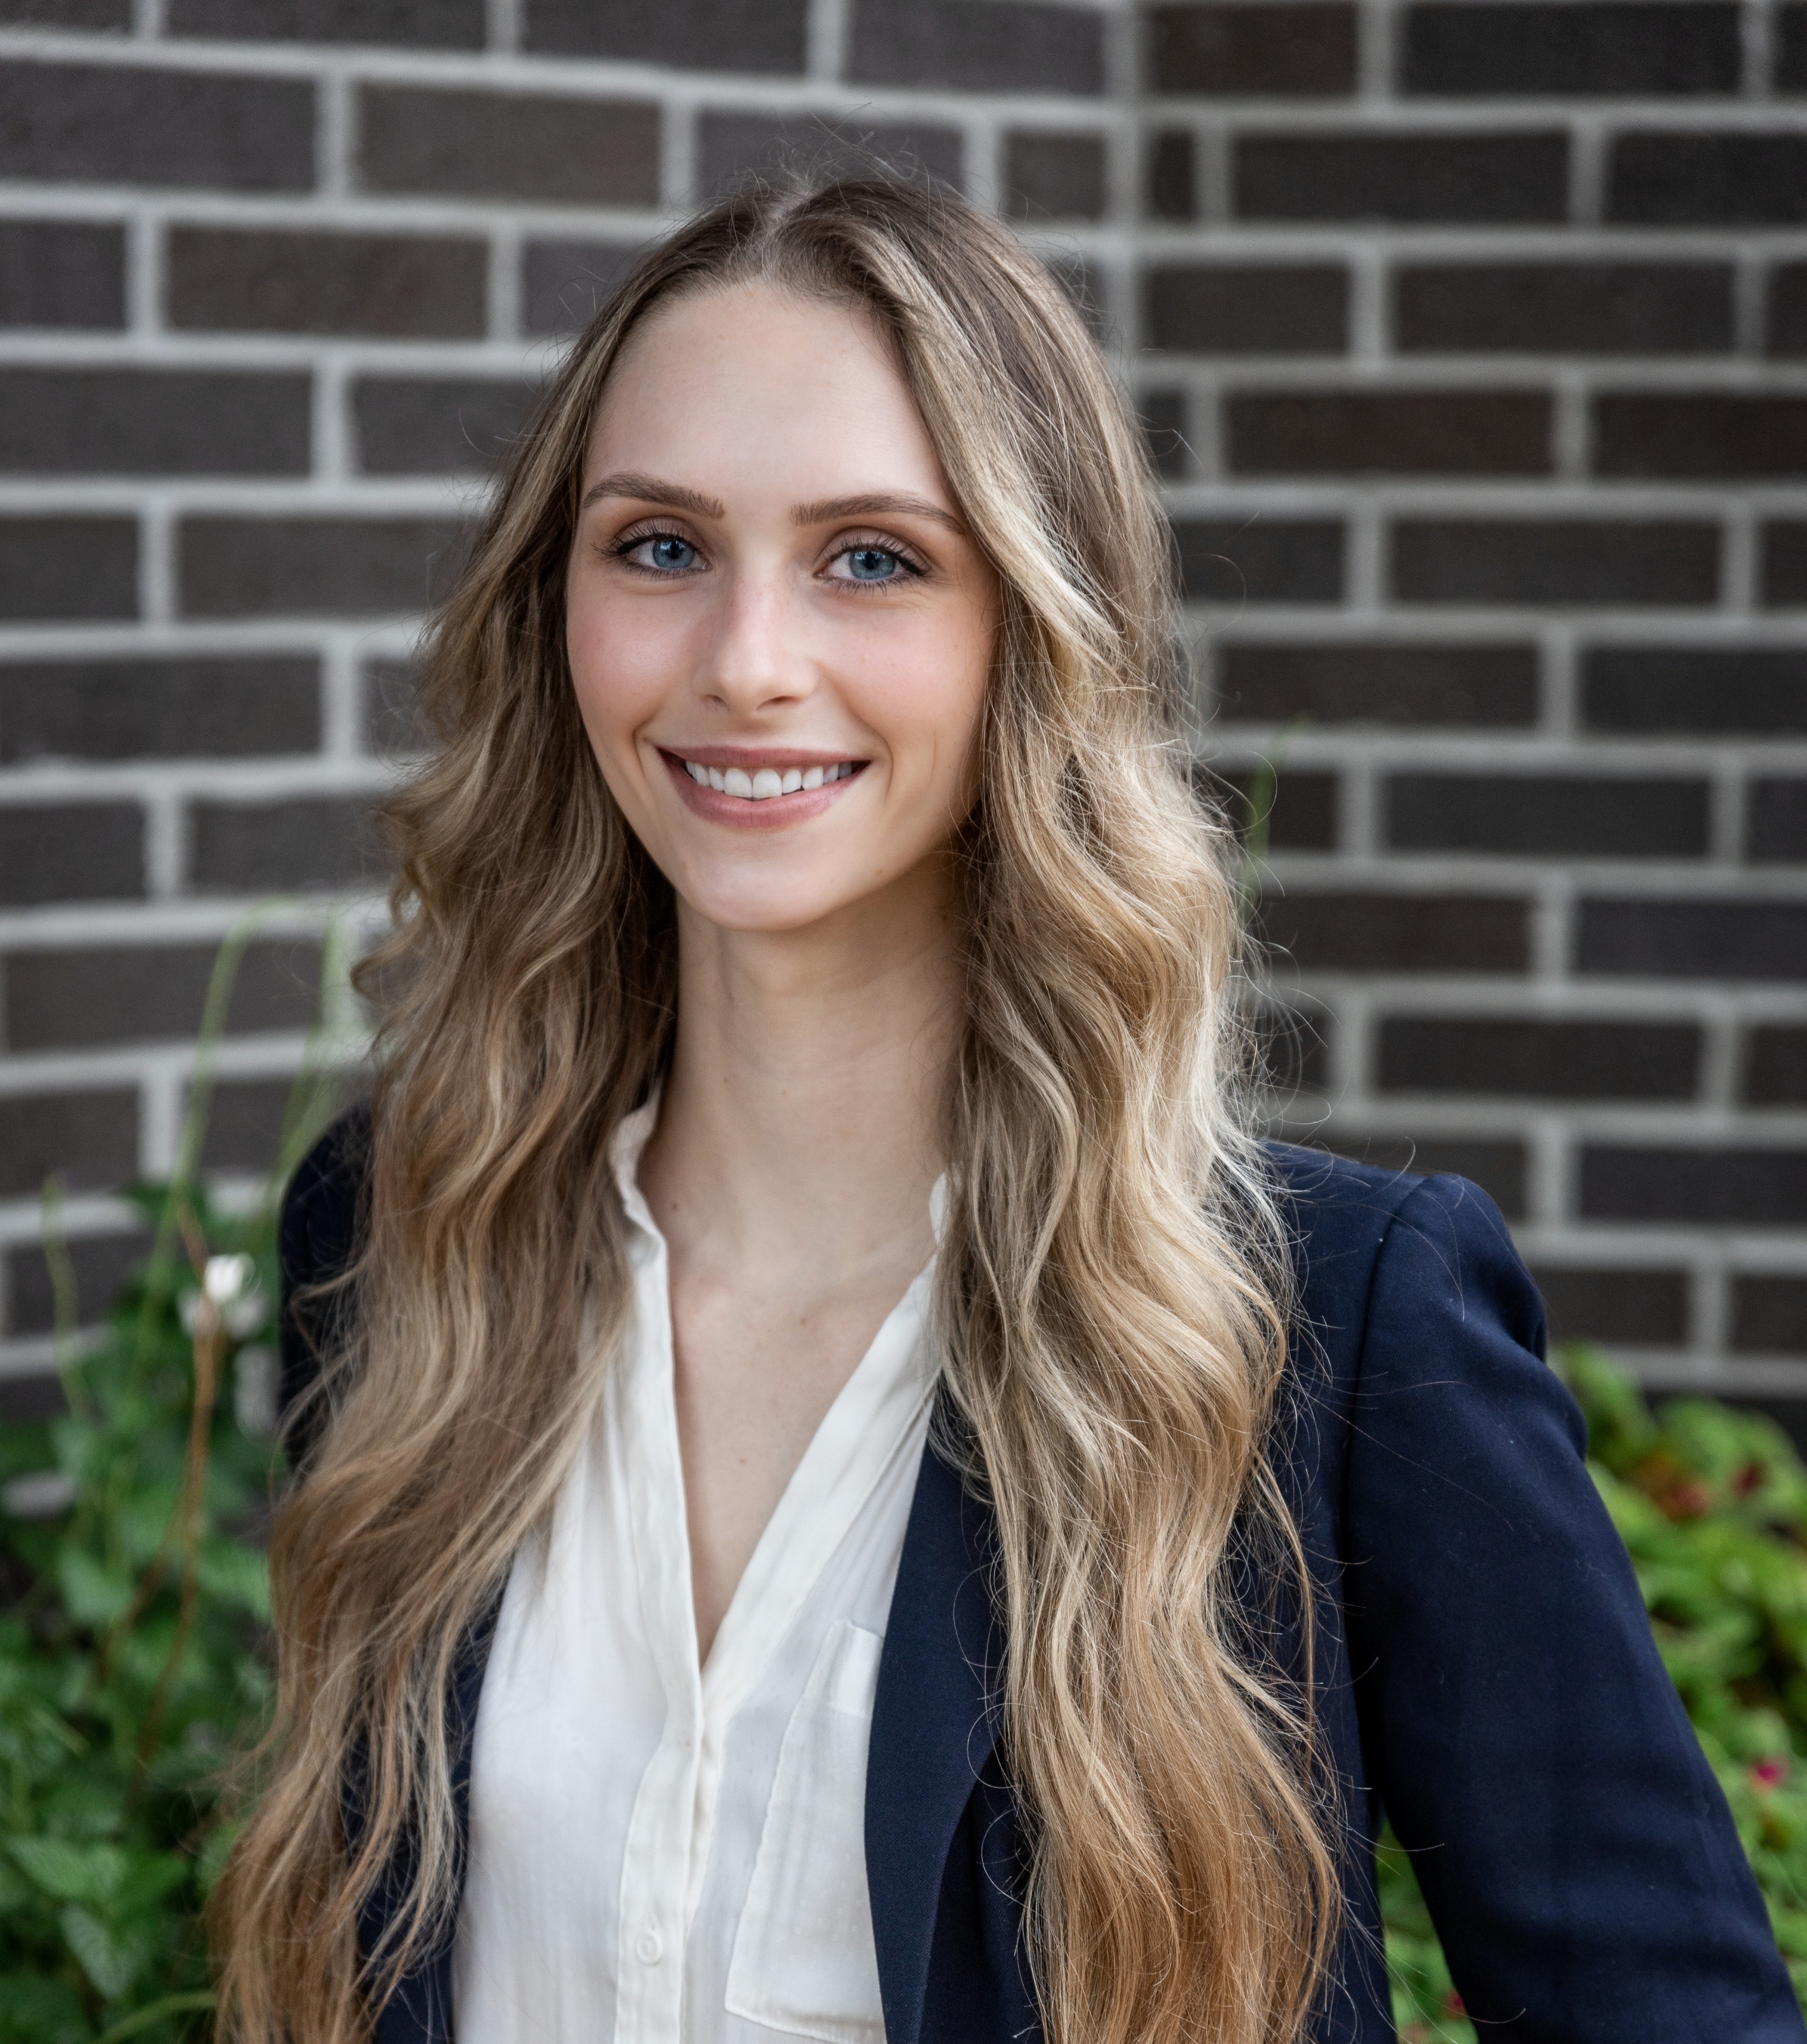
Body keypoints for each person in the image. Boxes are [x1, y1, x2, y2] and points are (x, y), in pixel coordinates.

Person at [213, 176, 1798, 2044]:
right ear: (555, 601)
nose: (744, 660)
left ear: (1034, 632)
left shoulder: (1331, 1334)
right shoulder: (403, 1236)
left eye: (872, 556)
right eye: (658, 546)